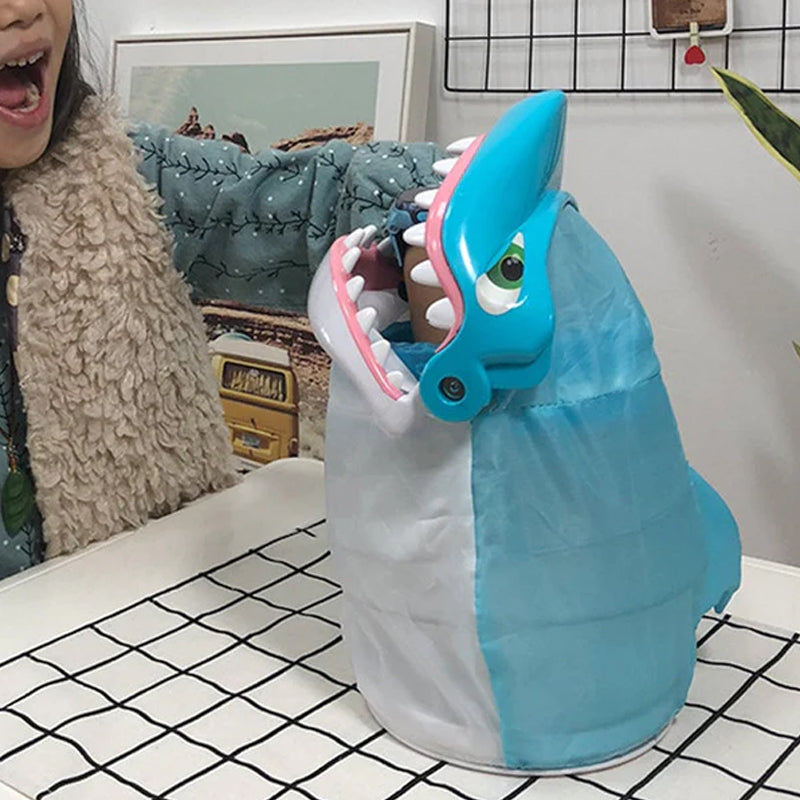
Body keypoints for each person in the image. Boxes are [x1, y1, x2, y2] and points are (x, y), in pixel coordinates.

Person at [0, 0, 442, 579]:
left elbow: (296, 203)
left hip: (139, 603)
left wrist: (449, 188)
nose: (22, 10)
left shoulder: (127, 173)